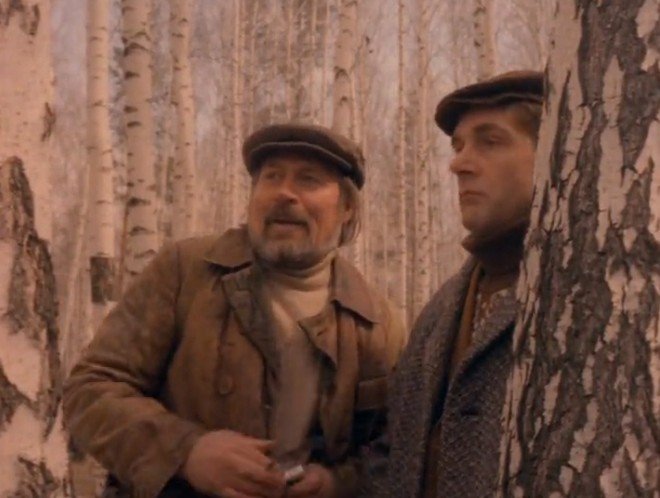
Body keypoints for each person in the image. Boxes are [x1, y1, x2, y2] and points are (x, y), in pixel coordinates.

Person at [63, 123, 405, 498]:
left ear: (347, 208)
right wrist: (186, 452)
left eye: (308, 180)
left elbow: (392, 448)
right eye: (271, 177)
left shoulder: (377, 322)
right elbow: (90, 389)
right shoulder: (186, 271)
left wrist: (334, 483)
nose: (284, 193)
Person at [367, 71, 544, 497]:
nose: (458, 164)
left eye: (490, 141)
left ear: (554, 151)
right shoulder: (442, 308)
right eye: (458, 146)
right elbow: (394, 449)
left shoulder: (596, 298)